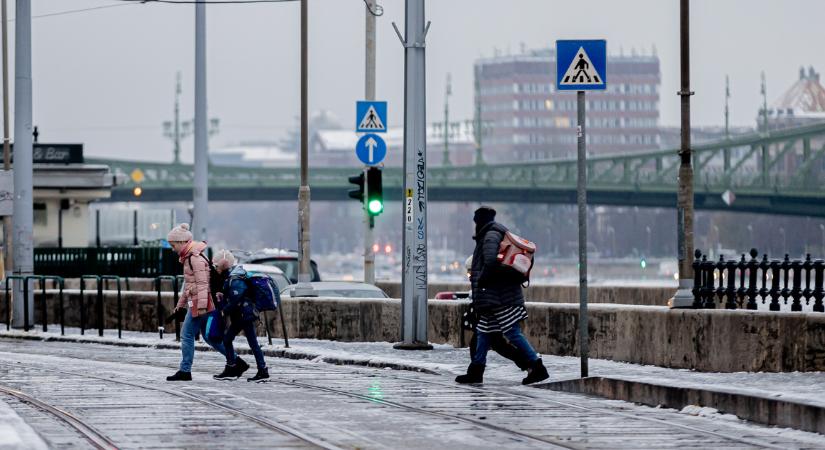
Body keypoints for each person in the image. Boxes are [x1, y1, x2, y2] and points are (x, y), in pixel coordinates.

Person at [456, 206, 549, 385]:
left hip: (499, 296)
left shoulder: (490, 235)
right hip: (494, 295)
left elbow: (490, 262)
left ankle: (538, 367)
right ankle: (476, 370)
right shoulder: (492, 233)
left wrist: (481, 281)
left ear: (479, 221)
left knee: (512, 332)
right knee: (483, 332)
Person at [165, 224, 249, 381]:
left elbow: (203, 284)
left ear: (182, 242)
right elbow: (190, 286)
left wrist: (202, 307)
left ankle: (185, 371)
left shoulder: (194, 258)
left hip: (200, 303)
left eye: (173, 245)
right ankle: (237, 361)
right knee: (210, 338)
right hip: (199, 302)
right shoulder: (191, 257)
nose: (172, 248)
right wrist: (180, 305)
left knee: (187, 335)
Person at [462, 256, 530, 373]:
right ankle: (529, 364)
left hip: (493, 309)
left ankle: (531, 363)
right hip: (493, 308)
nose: (470, 276)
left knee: (501, 342)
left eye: (470, 272)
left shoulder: (487, 257)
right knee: (495, 343)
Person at [211, 250, 269, 382]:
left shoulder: (235, 278)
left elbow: (237, 298)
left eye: (216, 266)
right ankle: (261, 369)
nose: (215, 268)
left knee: (229, 340)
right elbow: (234, 295)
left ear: (223, 265)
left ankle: (235, 368)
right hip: (244, 314)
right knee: (251, 342)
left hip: (244, 315)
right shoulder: (233, 276)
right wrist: (223, 296)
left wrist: (224, 311)